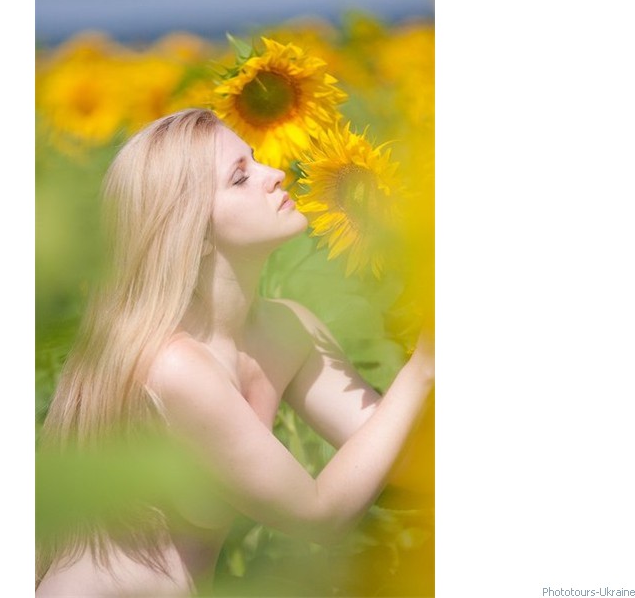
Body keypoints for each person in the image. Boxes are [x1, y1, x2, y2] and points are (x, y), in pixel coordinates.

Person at [35, 108, 434, 597]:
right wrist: (424, 365)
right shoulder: (173, 365)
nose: (276, 174)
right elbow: (320, 516)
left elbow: (405, 460)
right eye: (240, 177)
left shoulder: (288, 329)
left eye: (256, 159)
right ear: (195, 234)